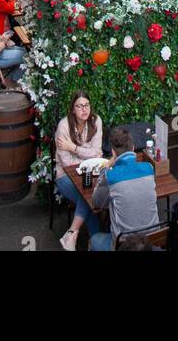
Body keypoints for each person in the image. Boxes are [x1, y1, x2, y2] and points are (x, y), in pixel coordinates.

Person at [90, 126, 159, 251]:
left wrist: (106, 167)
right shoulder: (149, 168)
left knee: (94, 239)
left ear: (113, 152)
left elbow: (97, 203)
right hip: (153, 238)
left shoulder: (110, 176)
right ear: (132, 148)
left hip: (125, 244)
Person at [54, 92, 104, 251]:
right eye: (79, 106)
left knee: (89, 194)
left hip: (91, 173)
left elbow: (97, 151)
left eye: (87, 105)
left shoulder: (96, 121)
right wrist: (89, 158)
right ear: (73, 110)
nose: (84, 109)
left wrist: (73, 148)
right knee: (89, 197)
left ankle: (72, 233)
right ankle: (95, 242)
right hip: (65, 176)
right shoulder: (64, 126)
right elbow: (67, 163)